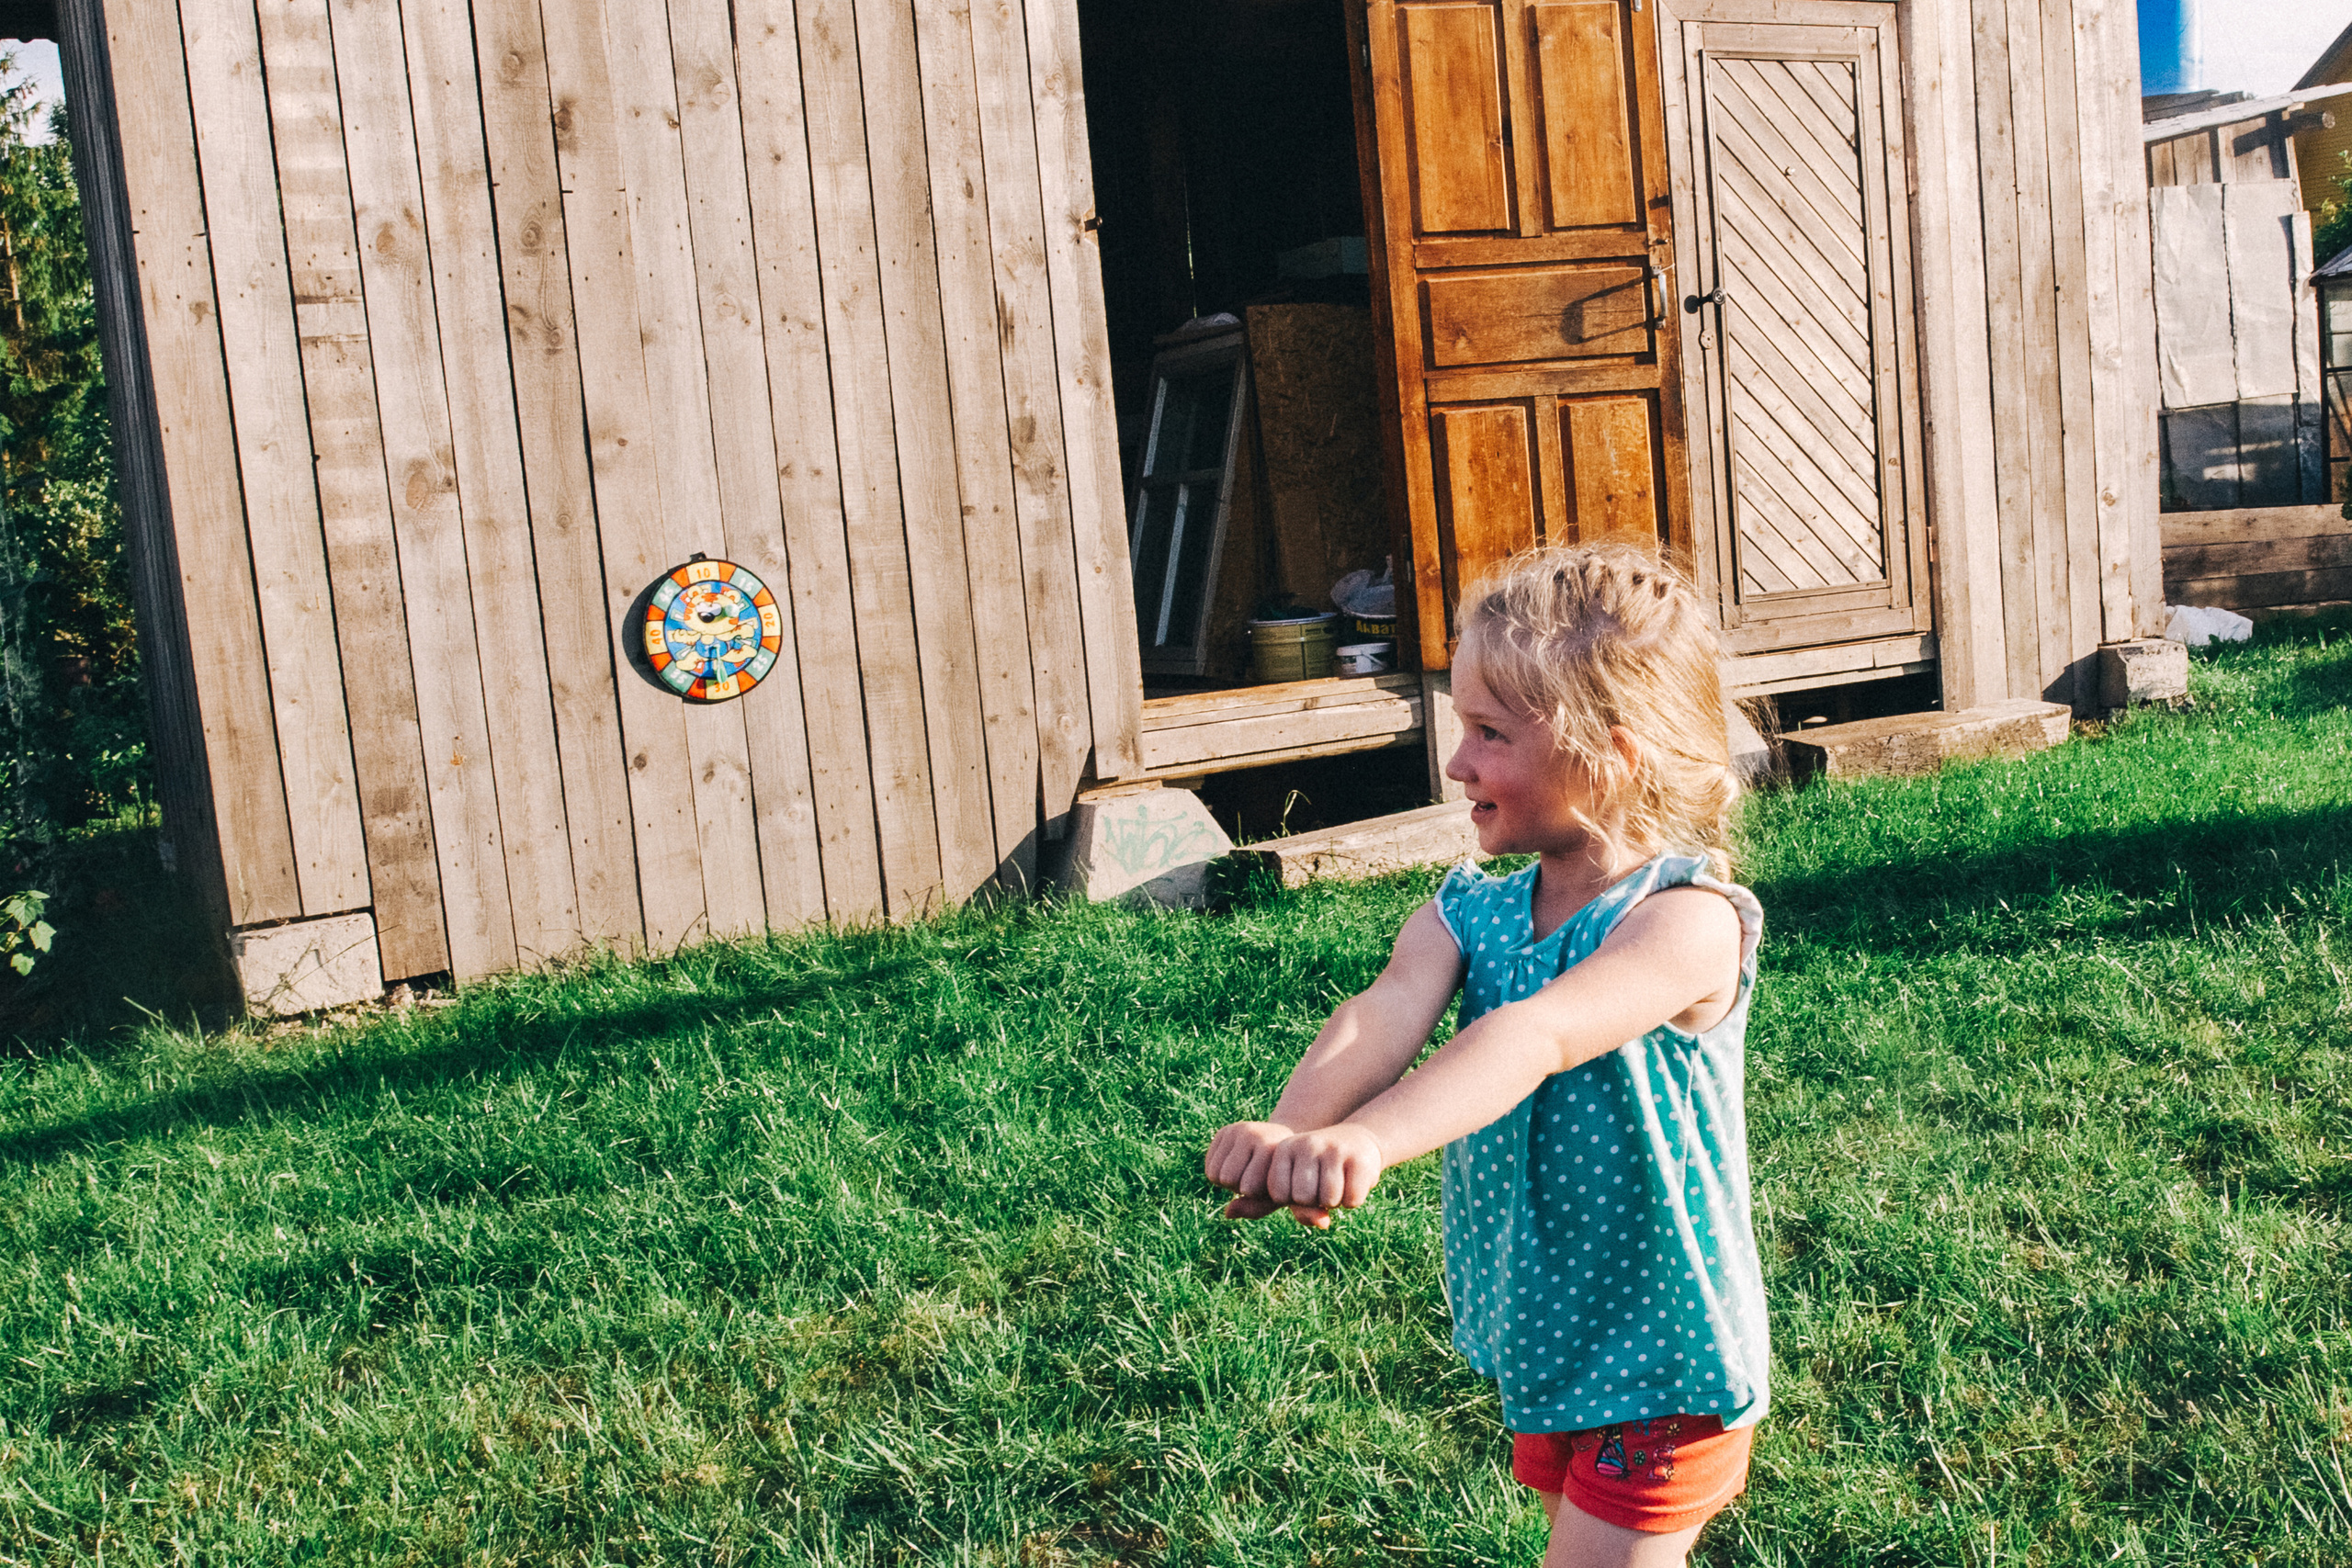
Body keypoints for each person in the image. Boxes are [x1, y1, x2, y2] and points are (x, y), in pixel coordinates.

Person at [1204, 544, 1770, 1568]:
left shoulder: (1685, 922)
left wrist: (1369, 1143)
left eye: (1489, 733)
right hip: (1549, 1336)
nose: (1455, 762)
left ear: (1612, 752)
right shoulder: (1471, 908)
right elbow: (1377, 1016)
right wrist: (1300, 1126)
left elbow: (1534, 1035)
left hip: (1664, 1358)